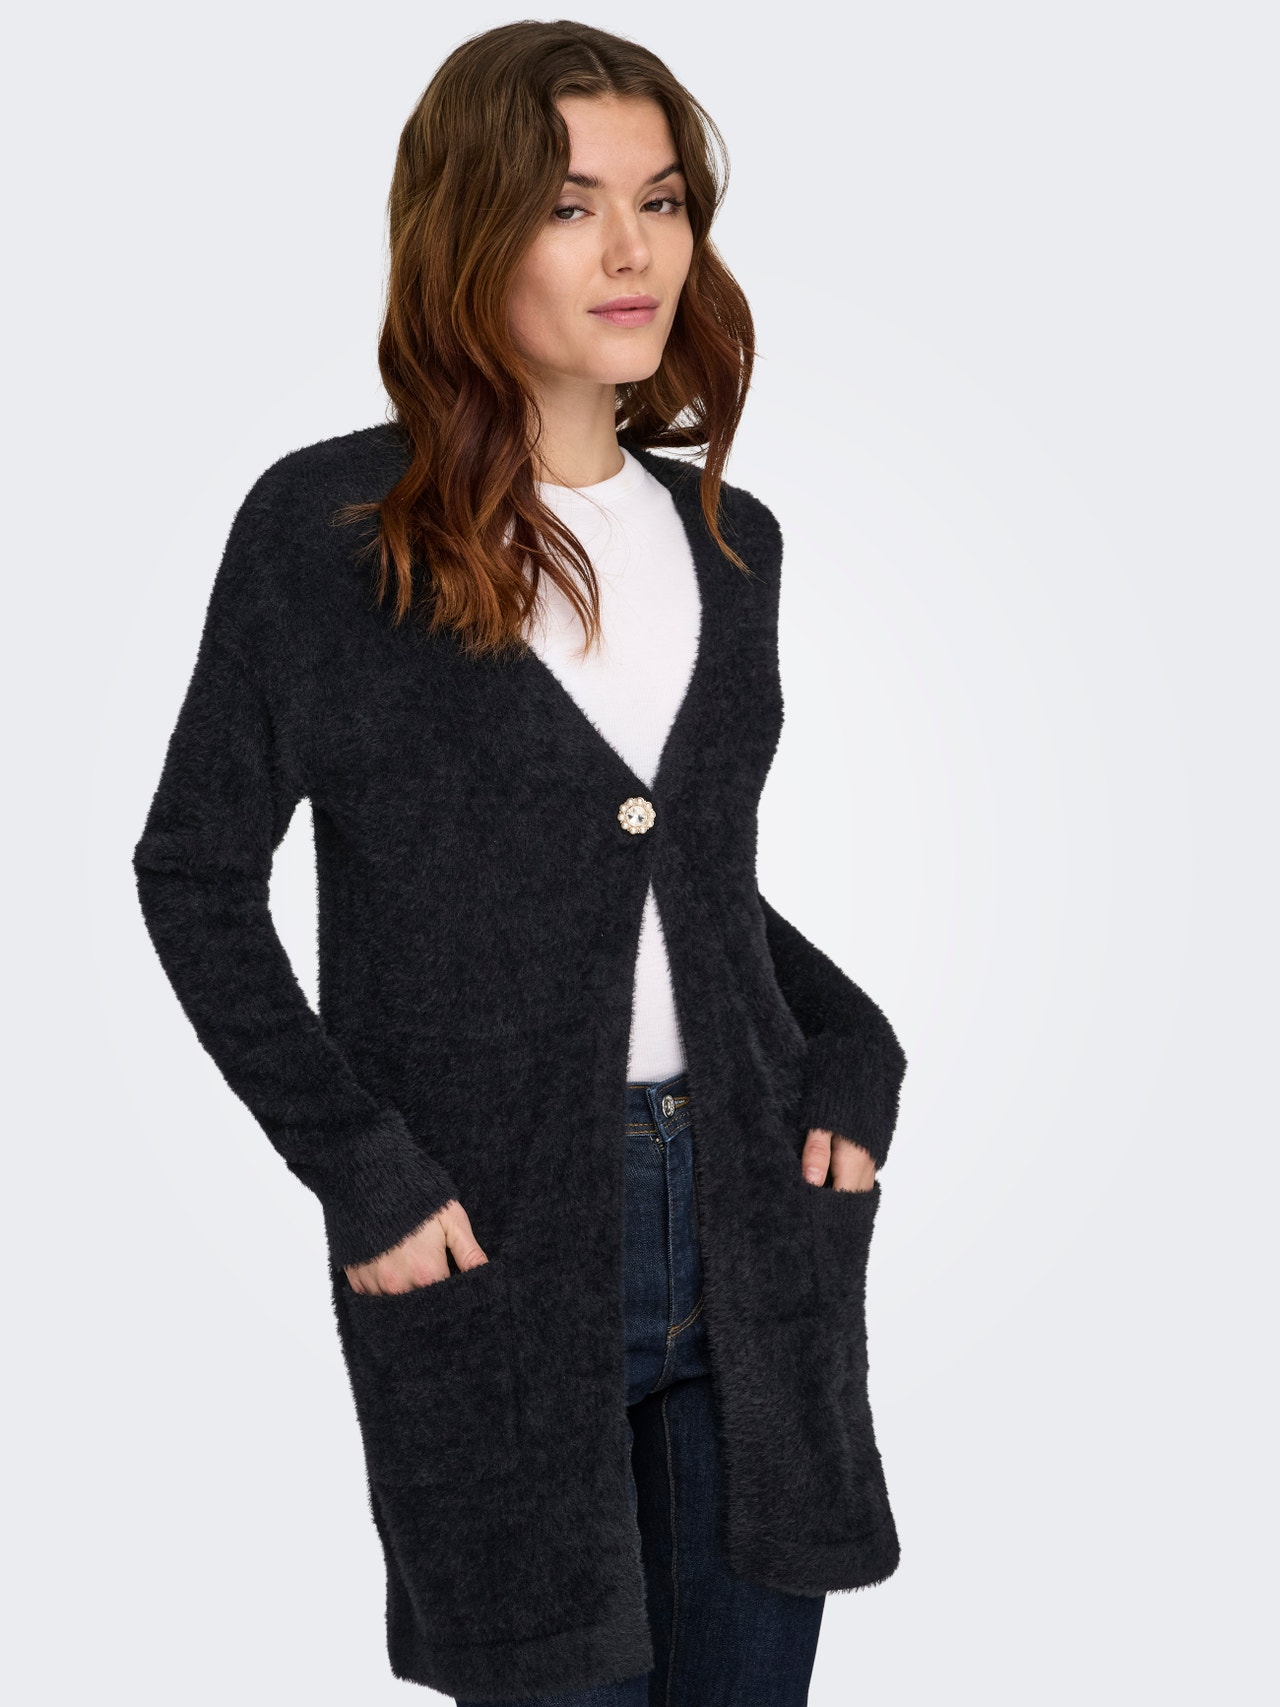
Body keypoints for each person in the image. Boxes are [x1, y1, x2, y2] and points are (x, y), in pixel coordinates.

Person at [132, 19, 907, 1706]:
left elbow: (693, 884)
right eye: (570, 205)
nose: (634, 250)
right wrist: (359, 1167)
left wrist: (856, 1040)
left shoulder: (732, 541)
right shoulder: (332, 534)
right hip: (487, 1233)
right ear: (469, 229)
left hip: (752, 1219)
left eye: (662, 199)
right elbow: (193, 872)